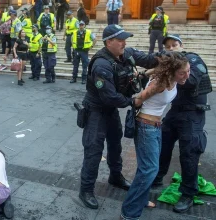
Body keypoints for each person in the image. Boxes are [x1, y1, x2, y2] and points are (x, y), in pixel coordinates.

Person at [79, 24, 159, 210]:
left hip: (111, 111)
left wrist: (172, 57)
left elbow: (149, 59)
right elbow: (110, 97)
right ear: (108, 42)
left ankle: (116, 177)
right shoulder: (101, 64)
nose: (124, 42)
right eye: (120, 39)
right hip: (96, 111)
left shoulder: (127, 53)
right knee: (94, 150)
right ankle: (86, 190)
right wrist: (135, 100)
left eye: (125, 39)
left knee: (115, 144)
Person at [120, 52, 190, 220]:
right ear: (173, 72)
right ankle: (128, 213)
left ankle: (142, 199)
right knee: (149, 169)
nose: (187, 75)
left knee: (148, 167)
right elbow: (137, 100)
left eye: (188, 70)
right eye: (183, 73)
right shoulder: (160, 83)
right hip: (146, 126)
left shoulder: (170, 76)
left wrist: (145, 73)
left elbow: (157, 69)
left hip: (156, 125)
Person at [153, 34, 212, 213]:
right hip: (175, 111)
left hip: (193, 113)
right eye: (168, 46)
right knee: (162, 145)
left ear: (181, 45)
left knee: (189, 153)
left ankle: (188, 193)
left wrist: (168, 71)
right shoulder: (169, 64)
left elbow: (190, 81)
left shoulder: (193, 59)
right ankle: (157, 178)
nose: (171, 48)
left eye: (174, 45)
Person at [70, 20, 96, 84]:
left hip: (84, 51)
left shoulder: (88, 32)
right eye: (80, 25)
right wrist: (73, 46)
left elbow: (94, 39)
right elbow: (71, 39)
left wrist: (91, 46)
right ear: (78, 26)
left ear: (84, 25)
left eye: (82, 25)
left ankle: (84, 79)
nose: (81, 26)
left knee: (84, 66)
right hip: (77, 50)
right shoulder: (75, 32)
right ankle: (74, 78)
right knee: (75, 65)